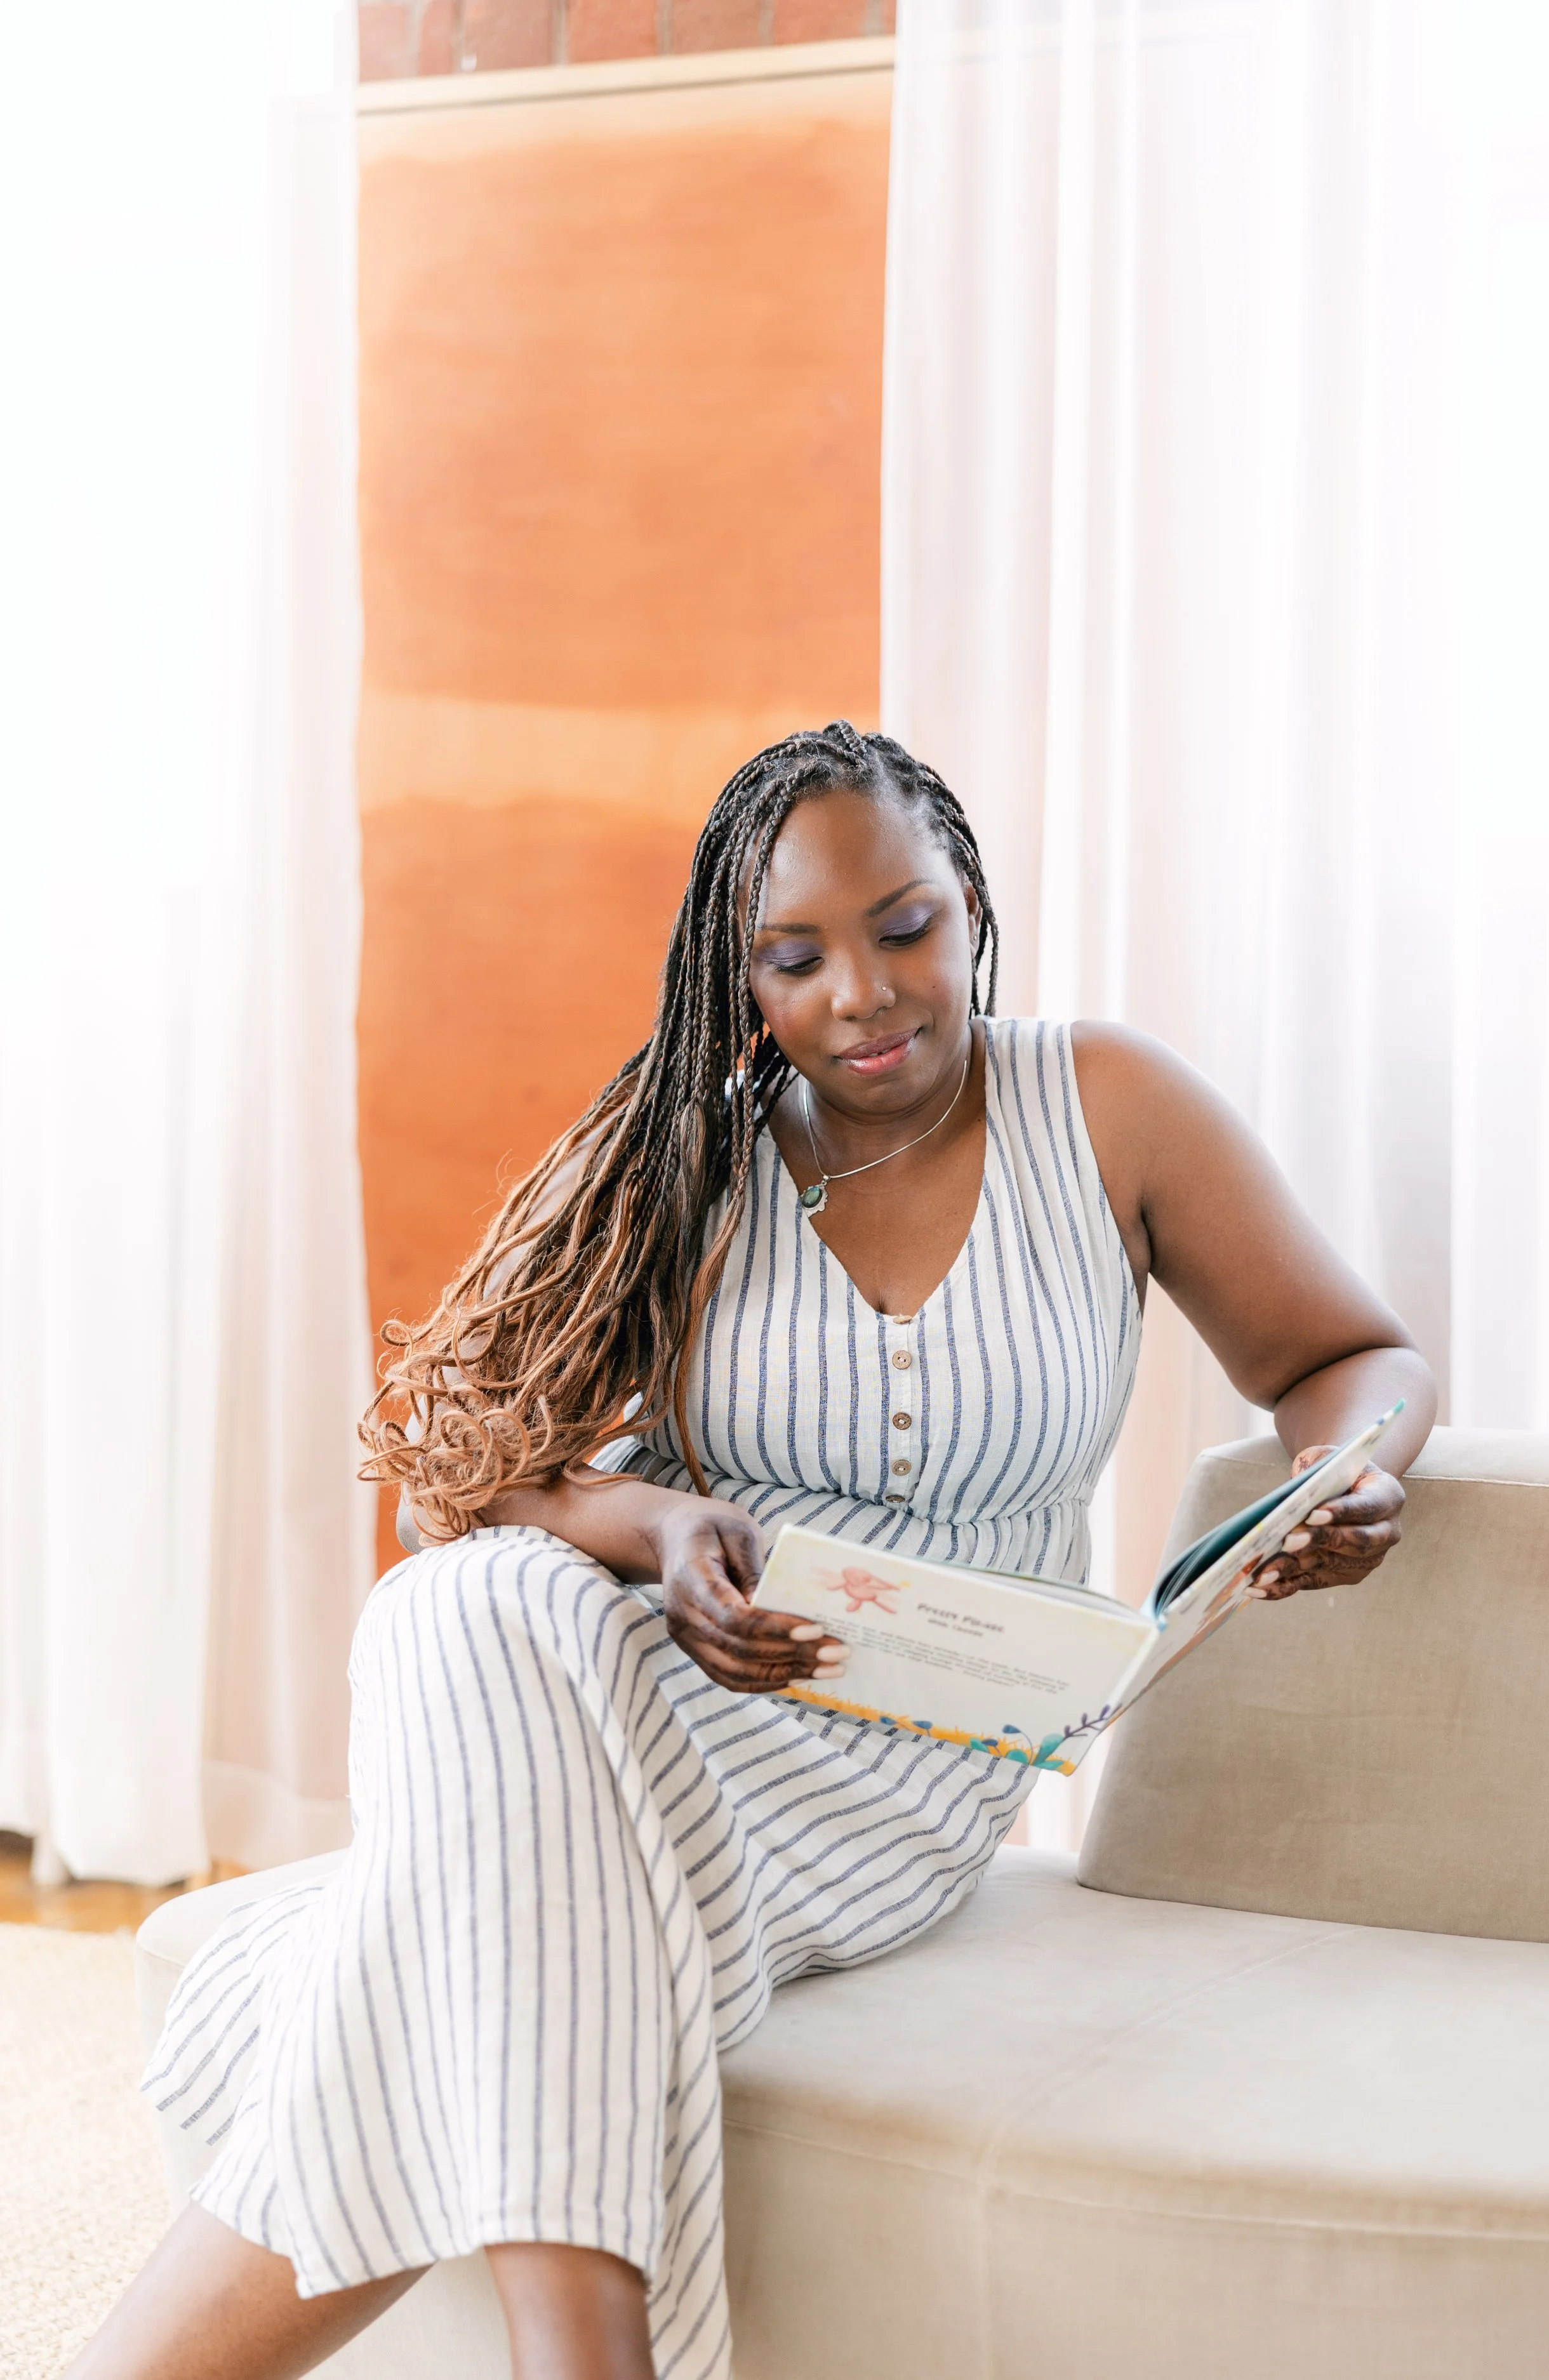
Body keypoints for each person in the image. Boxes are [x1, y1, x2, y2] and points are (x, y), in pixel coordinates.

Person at [70, 724, 1435, 2380]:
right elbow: (450, 1478)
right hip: (623, 1673)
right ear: (741, 979)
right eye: (794, 958)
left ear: (972, 905)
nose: (860, 992)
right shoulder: (682, 1148)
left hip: (906, 1753)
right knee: (471, 1593)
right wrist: (651, 1523)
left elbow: (1345, 1354)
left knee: (446, 1936)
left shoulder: (1107, 1107)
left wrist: (1344, 1469)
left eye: (902, 927)